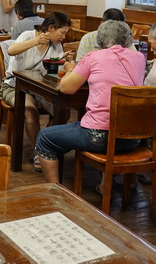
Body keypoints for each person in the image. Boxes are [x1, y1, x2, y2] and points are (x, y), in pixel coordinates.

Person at [35, 20, 145, 184]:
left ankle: (55, 191)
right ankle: (108, 182)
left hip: (98, 137)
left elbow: (66, 88)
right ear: (127, 40)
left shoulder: (94, 56)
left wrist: (71, 70)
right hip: (132, 138)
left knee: (44, 138)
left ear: (99, 40)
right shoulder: (139, 58)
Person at [0, 12, 72, 171]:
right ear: (51, 28)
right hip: (14, 86)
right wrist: (35, 41)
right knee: (30, 111)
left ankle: (45, 144)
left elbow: (52, 70)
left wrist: (62, 62)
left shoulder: (56, 46)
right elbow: (11, 50)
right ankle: (39, 151)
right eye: (62, 32)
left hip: (40, 88)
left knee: (63, 112)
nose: (63, 37)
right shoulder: (28, 35)